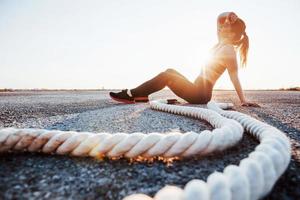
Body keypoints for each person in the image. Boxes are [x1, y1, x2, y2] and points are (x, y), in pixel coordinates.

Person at [109, 12, 260, 107]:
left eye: (227, 26)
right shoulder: (220, 44)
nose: (222, 26)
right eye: (224, 25)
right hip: (196, 89)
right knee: (170, 71)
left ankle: (132, 94)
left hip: (200, 95)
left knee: (167, 77)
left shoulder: (228, 50)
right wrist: (230, 14)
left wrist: (243, 100)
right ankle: (141, 95)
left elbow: (234, 77)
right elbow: (218, 19)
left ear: (233, 34)